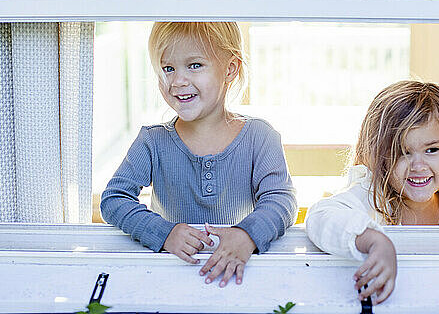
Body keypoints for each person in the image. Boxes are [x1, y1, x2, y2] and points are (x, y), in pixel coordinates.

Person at [101, 22, 297, 287]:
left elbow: (281, 201)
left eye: (194, 65)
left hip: (240, 275)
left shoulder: (260, 137)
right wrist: (164, 233)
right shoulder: (152, 141)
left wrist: (246, 236)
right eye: (168, 68)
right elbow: (114, 199)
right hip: (170, 276)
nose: (178, 81)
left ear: (230, 69)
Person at [305, 80, 439, 304]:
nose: (418, 165)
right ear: (377, 156)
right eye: (402, 152)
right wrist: (373, 241)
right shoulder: (371, 198)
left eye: (432, 149)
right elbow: (320, 216)